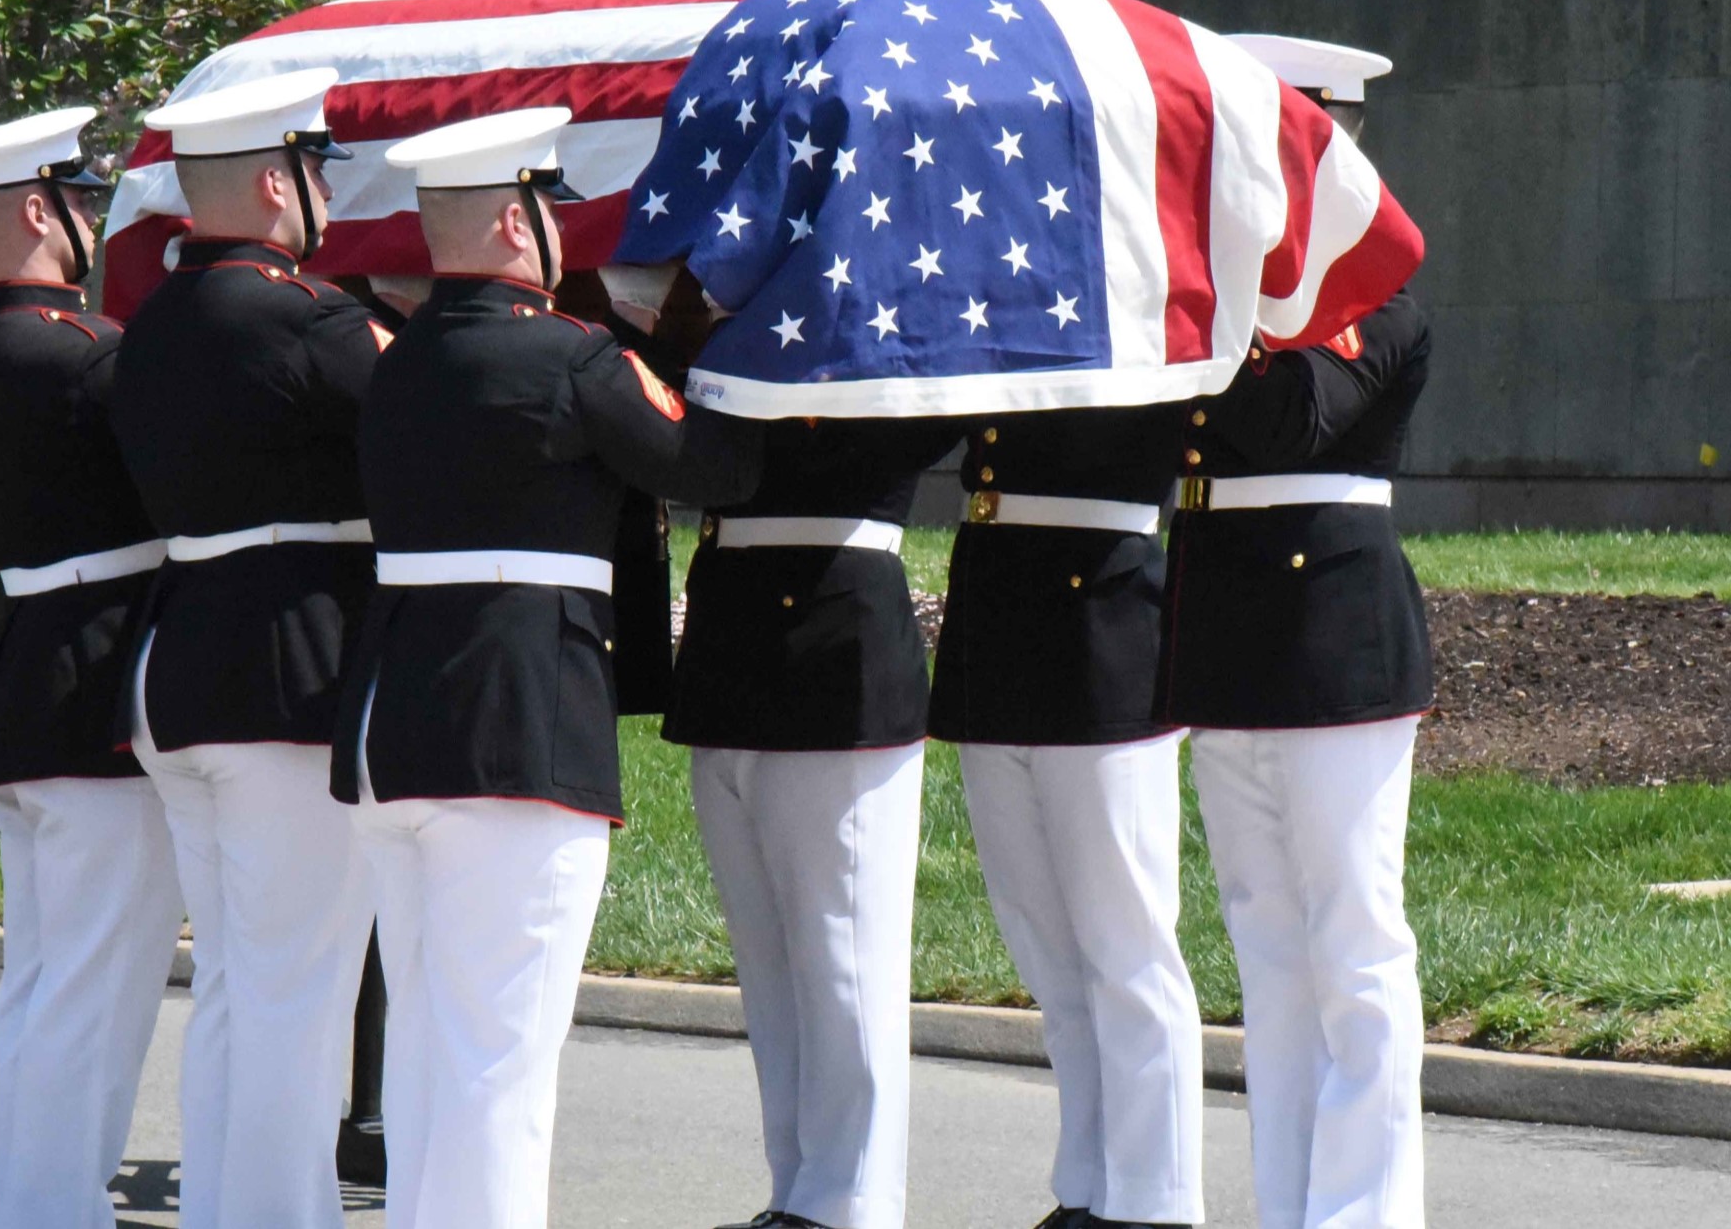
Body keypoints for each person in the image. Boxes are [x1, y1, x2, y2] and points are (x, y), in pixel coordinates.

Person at [331, 107, 761, 1229]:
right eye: (553, 209)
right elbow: (715, 463)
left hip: (391, 728)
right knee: (504, 1053)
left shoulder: (390, 355)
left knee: (429, 1039)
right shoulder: (572, 360)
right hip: (511, 730)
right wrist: (664, 331)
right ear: (521, 225)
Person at [1162, 34, 1433, 1229]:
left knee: (1357, 953)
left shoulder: (1377, 305)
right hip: (1228, 635)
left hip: (1334, 646)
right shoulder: (1210, 305)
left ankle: (1367, 1216)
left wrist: (1205, 311)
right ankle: (1289, 1208)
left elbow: (1288, 424)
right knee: (1267, 958)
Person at [112, 68, 387, 1229]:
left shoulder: (147, 326)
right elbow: (423, 430)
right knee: (294, 989)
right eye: (317, 172)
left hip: (179, 665)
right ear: (279, 184)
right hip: (288, 669)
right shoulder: (313, 321)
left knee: (234, 981)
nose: (326, 194)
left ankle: (233, 1208)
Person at [0, 107, 184, 1229]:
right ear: (41, 209)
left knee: (42, 988)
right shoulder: (86, 359)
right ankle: (54, 1212)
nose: (92, 218)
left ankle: (26, 1207)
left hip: (24, 688)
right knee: (95, 989)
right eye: (81, 198)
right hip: (92, 701)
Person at [660, 404, 960, 1229]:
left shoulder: (883, 333)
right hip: (733, 644)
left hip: (838, 642)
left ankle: (853, 1205)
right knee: (770, 961)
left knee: (843, 956)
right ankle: (797, 1192)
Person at [927, 406, 1207, 1229]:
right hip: (1001, 616)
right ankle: (1089, 1188)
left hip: (1103, 620)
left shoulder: (1127, 312)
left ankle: (1155, 1201)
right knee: (1050, 954)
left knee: (1128, 949)